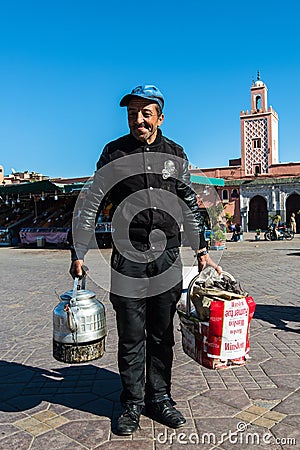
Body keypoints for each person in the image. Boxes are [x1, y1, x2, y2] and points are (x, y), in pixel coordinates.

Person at [69, 85, 221, 435]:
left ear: (160, 117)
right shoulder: (114, 152)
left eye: (145, 112)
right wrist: (78, 249)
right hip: (128, 256)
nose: (137, 119)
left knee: (161, 333)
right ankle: (132, 403)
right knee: (132, 333)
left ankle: (160, 398)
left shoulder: (175, 153)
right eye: (131, 112)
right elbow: (93, 200)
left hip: (166, 256)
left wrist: (201, 249)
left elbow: (188, 204)